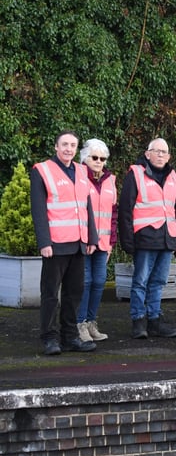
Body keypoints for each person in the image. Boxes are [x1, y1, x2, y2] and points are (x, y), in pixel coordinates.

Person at [31, 131, 98, 355]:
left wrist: (93, 237)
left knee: (74, 293)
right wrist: (44, 241)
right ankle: (50, 338)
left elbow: (87, 205)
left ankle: (70, 337)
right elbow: (39, 210)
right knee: (50, 293)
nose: (68, 149)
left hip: (79, 242)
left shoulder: (81, 170)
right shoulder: (42, 170)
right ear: (56, 147)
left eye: (72, 145)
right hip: (55, 244)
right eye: (64, 144)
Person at [119, 138, 176, 339]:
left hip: (167, 239)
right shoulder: (136, 174)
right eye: (156, 151)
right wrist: (127, 241)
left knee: (159, 282)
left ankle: (154, 320)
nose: (160, 155)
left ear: (169, 156)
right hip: (145, 238)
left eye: (164, 152)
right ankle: (139, 321)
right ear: (147, 154)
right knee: (140, 282)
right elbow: (125, 210)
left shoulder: (173, 177)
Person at [77, 139, 118, 342]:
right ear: (85, 157)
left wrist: (111, 242)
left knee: (99, 282)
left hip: (103, 243)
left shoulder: (111, 181)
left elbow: (113, 214)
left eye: (103, 158)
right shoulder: (78, 177)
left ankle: (92, 322)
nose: (99, 161)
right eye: (94, 157)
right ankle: (80, 323)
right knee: (84, 282)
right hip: (84, 242)